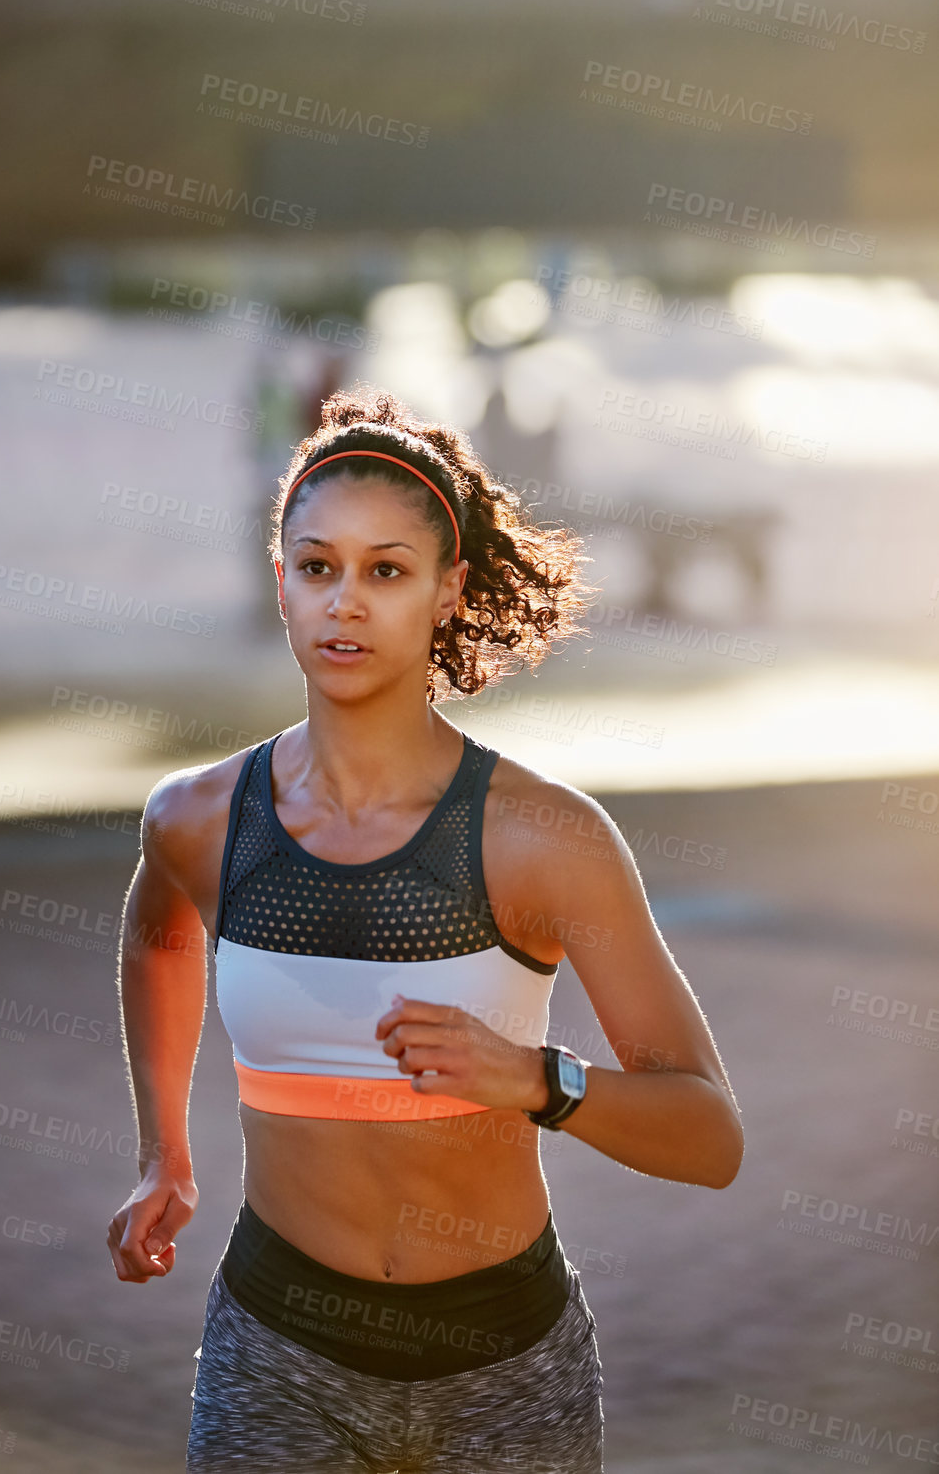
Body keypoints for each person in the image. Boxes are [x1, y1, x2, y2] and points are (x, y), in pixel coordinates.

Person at [107, 386, 744, 1474]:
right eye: (317, 568)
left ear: (447, 589)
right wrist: (162, 1147)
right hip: (277, 1351)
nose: (344, 604)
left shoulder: (545, 837)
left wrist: (537, 1079)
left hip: (505, 1369)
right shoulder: (196, 818)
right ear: (281, 584)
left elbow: (708, 1136)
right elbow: (159, 938)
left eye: (385, 570)